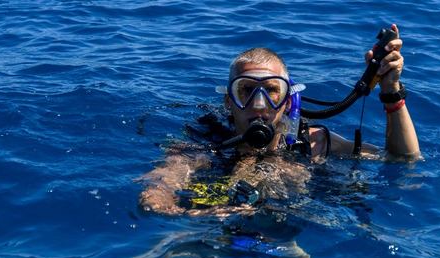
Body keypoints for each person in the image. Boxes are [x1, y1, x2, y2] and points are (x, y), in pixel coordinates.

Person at [139, 24, 419, 216]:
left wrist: (391, 91)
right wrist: (199, 215)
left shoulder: (314, 141)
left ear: (287, 101)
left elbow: (403, 161)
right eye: (246, 91)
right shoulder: (205, 142)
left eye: (271, 91)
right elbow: (156, 195)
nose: (259, 105)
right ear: (229, 101)